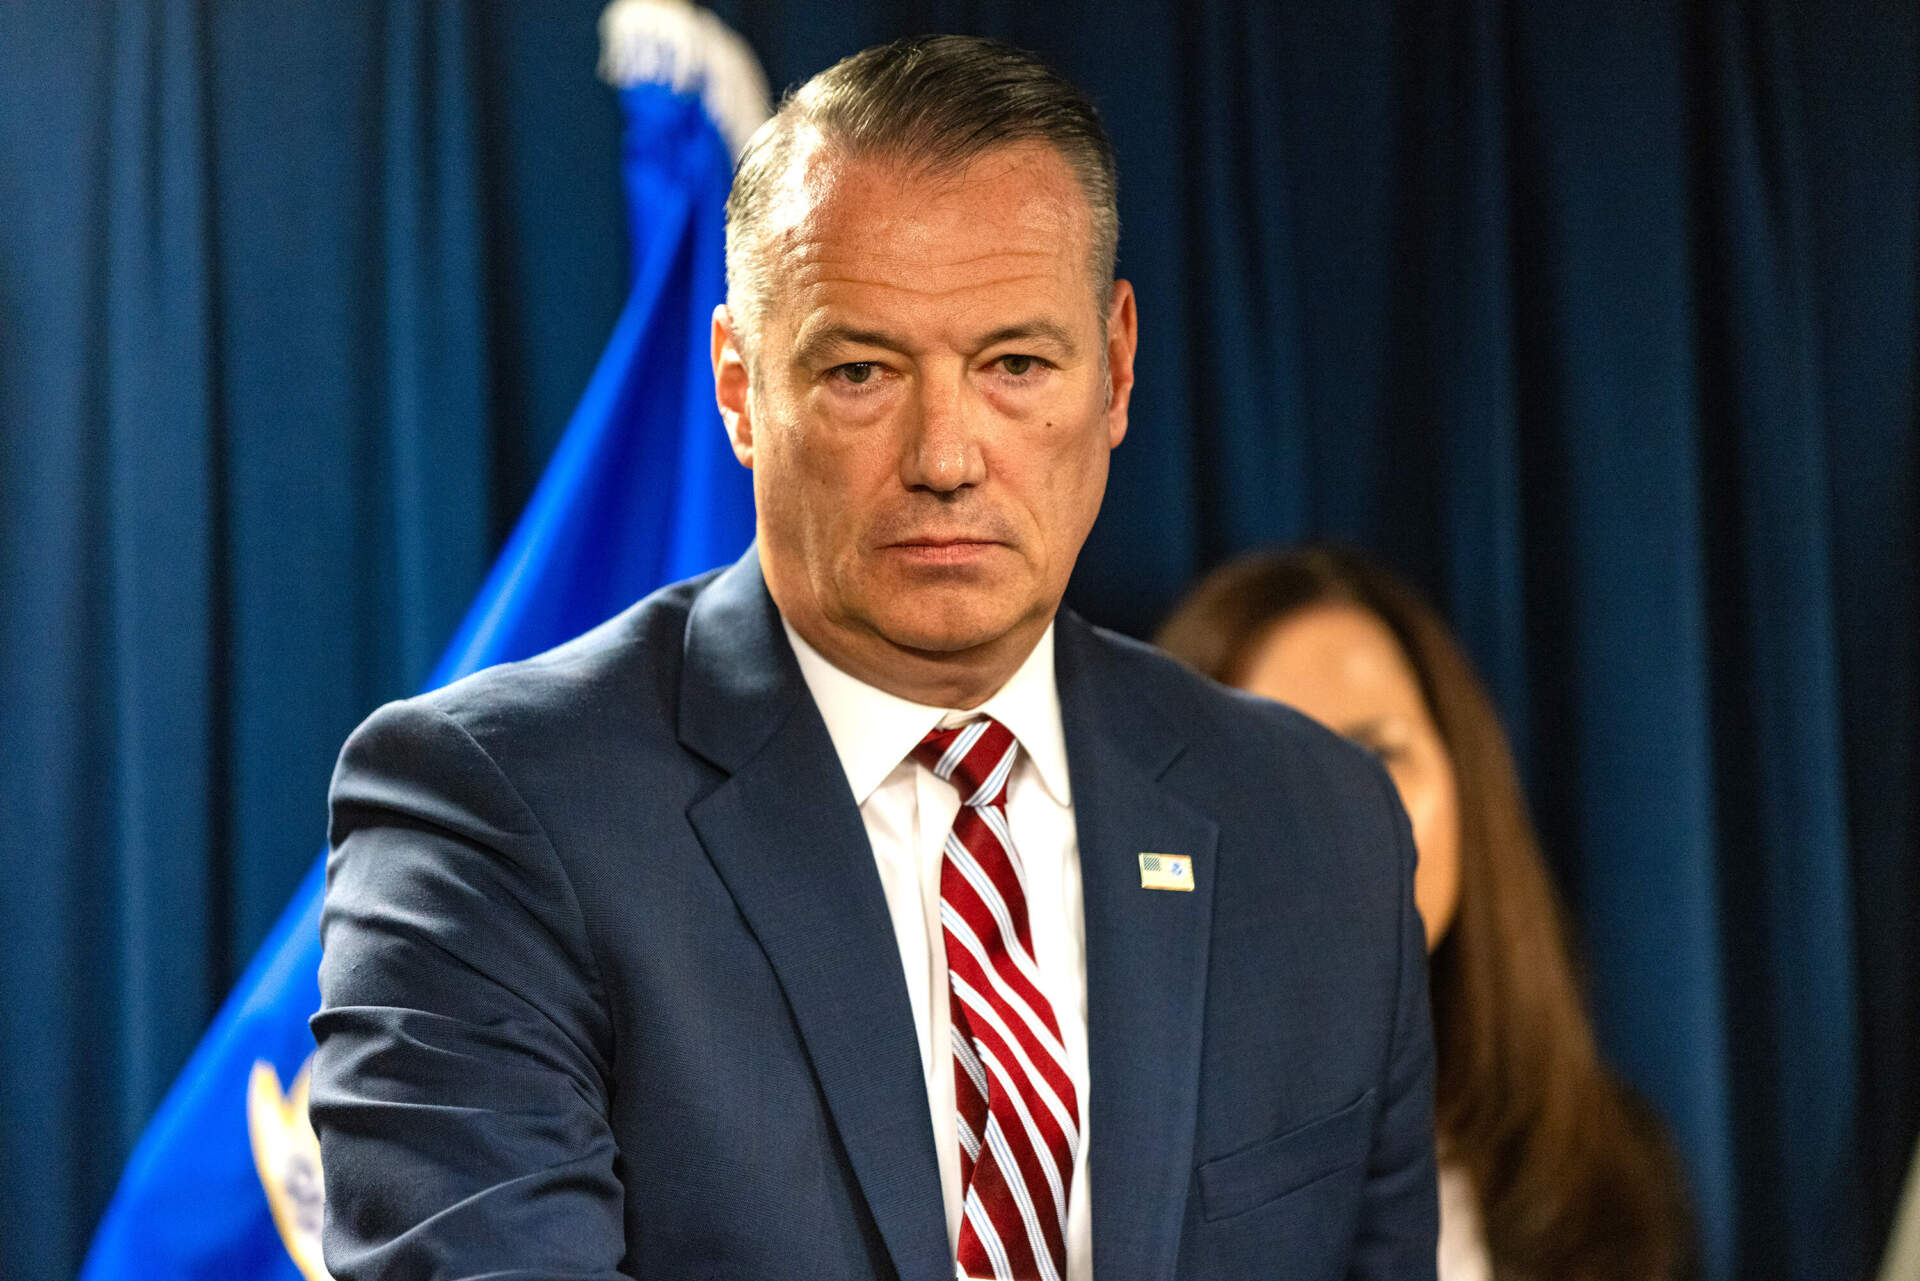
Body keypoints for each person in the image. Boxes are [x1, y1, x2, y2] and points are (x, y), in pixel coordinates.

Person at [311, 37, 1437, 1281]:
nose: (946, 454)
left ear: (1114, 368)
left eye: (1015, 365)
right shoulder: (492, 816)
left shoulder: (1322, 831)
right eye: (861, 372)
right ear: (740, 387)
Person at [1156, 545, 1693, 1281]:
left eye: (1376, 754)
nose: (1341, 818)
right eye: (1271, 768)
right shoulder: (1105, 1189)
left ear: (1464, 779)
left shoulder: (1614, 1177)